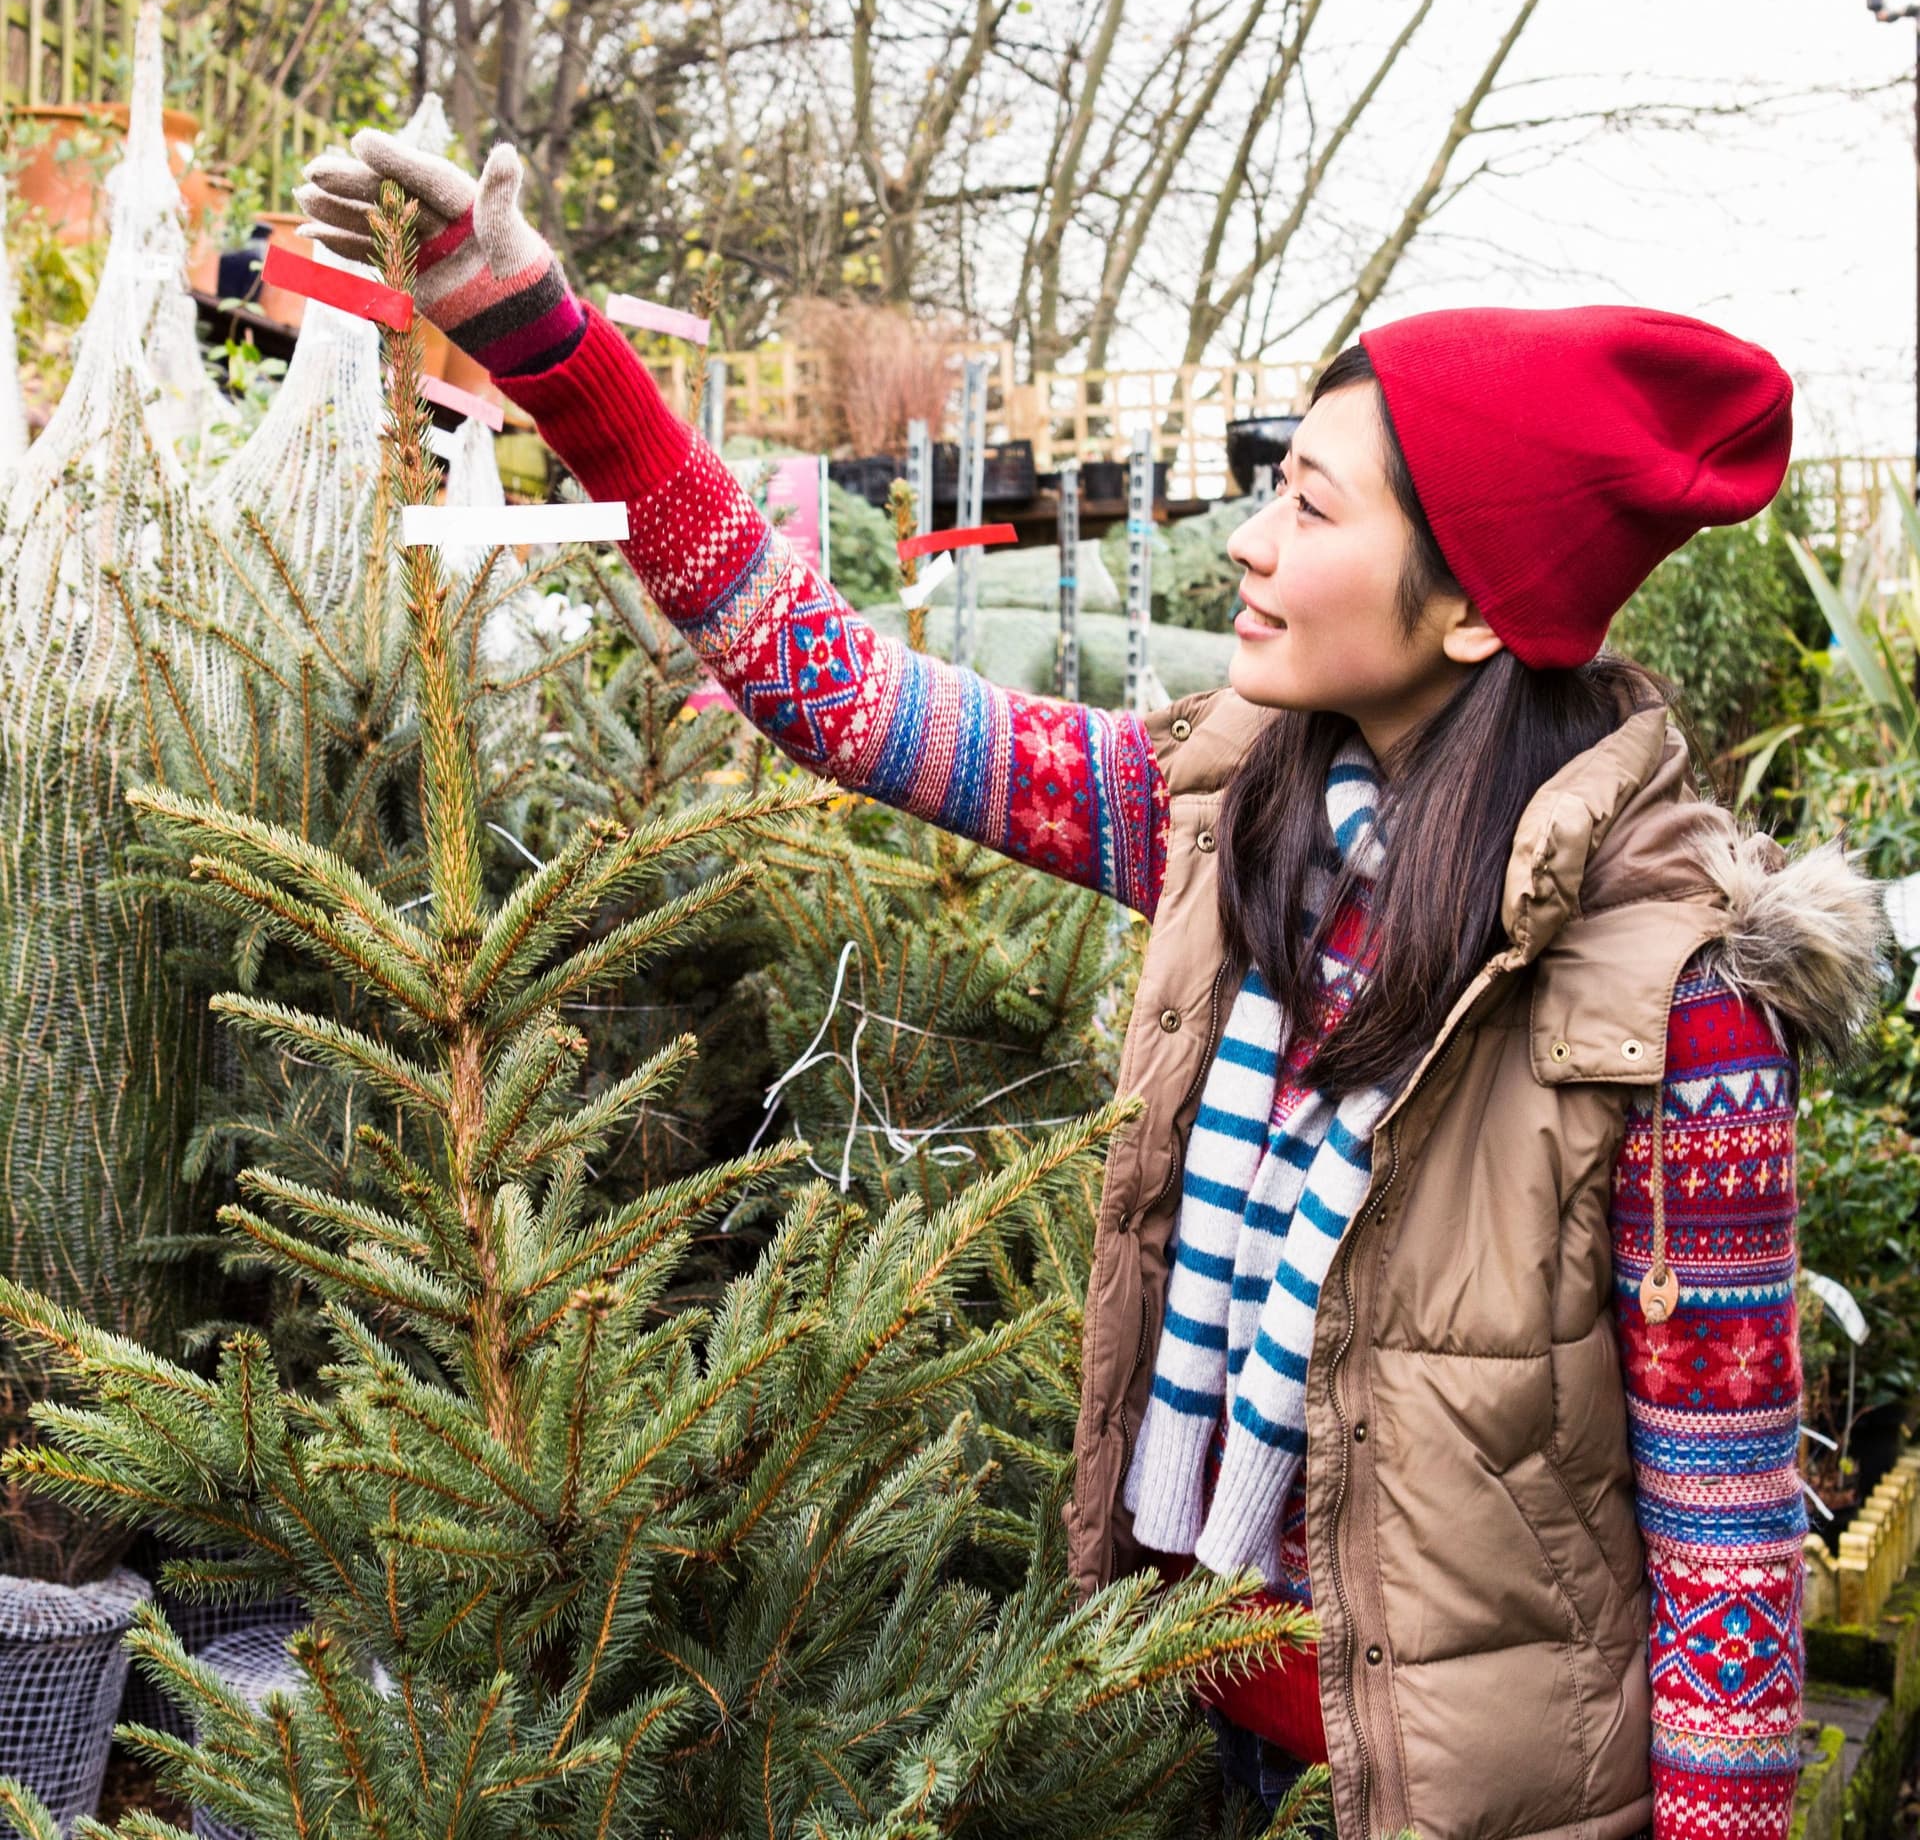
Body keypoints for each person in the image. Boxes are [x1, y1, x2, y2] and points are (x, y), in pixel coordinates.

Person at [296, 134, 1888, 1840]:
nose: (1252, 547)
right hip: (1186, 1734)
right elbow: (829, 689)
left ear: (1479, 614)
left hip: (1468, 1804)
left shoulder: (1675, 1012)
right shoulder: (1223, 819)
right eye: (1277, 484)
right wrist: (534, 326)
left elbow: (1726, 1546)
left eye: (1312, 506)